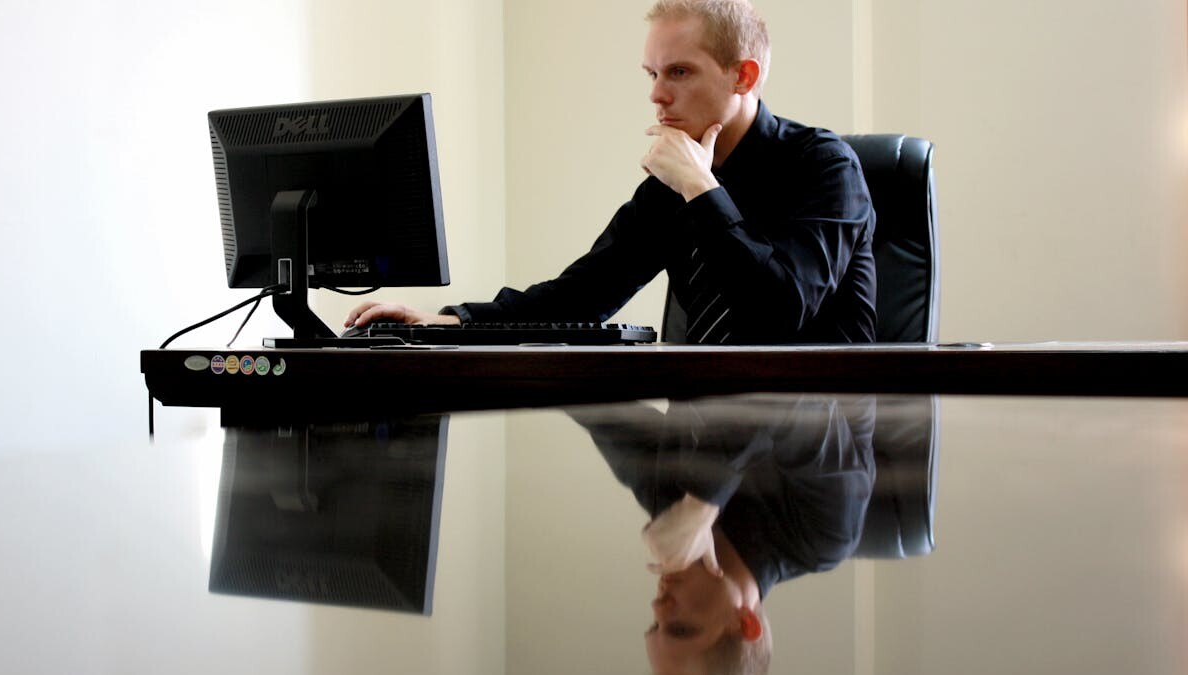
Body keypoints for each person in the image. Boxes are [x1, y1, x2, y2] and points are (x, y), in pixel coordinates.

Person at [347, 0, 877, 345]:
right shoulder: (669, 188)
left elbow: (781, 312)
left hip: (816, 453)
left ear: (743, 75)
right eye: (652, 74)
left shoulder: (825, 167)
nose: (656, 94)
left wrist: (700, 188)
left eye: (679, 72)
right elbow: (579, 298)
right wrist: (448, 322)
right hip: (704, 439)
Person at [568, 393, 876, 674]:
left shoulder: (670, 507)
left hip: (706, 339)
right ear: (746, 622)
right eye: (681, 628)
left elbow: (598, 405)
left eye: (655, 625)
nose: (657, 606)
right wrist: (701, 505)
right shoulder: (825, 535)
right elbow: (781, 391)